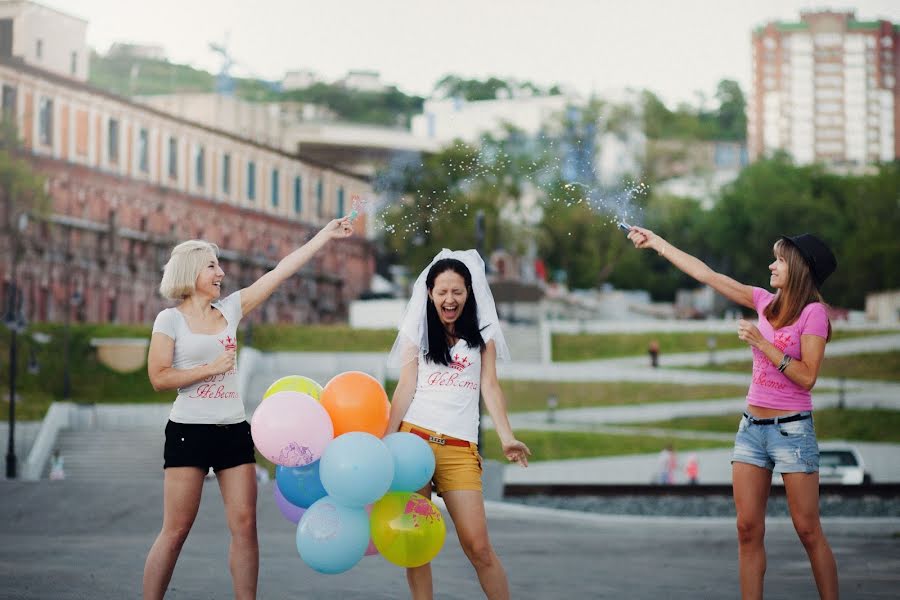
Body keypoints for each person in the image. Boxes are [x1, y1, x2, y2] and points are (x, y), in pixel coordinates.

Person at [143, 217, 353, 600]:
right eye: (212, 266)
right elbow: (158, 376)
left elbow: (281, 271)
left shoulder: (231, 310)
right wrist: (209, 368)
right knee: (176, 530)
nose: (221, 272)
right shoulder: (169, 319)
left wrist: (324, 236)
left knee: (245, 525)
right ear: (191, 272)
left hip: (234, 431)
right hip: (189, 430)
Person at [627, 227, 839, 600]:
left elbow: (807, 378)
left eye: (779, 260)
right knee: (746, 529)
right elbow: (707, 275)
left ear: (800, 269)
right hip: (751, 429)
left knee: (807, 530)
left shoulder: (814, 314)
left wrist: (762, 343)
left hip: (792, 431)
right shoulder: (762, 301)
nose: (771, 265)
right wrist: (659, 243)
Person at [386, 249, 531, 600]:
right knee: (416, 546)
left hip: (459, 451)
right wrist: (386, 439)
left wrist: (507, 437)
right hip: (412, 445)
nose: (449, 299)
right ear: (430, 294)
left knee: (478, 548)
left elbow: (491, 387)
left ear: (469, 292)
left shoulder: (482, 336)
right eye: (442, 292)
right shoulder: (417, 332)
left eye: (457, 292)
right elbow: (405, 387)